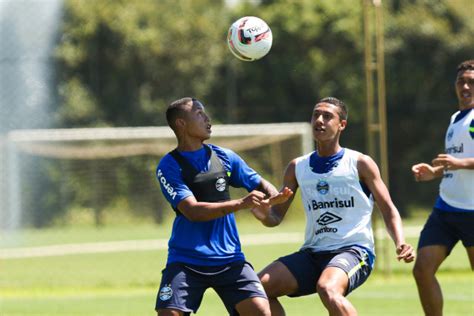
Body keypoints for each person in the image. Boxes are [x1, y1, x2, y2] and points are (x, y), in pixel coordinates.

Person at [251, 97, 415, 316]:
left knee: (327, 288)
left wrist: (400, 241)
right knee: (255, 291)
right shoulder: (297, 167)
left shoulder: (360, 163)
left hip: (354, 251)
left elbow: (388, 209)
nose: (319, 120)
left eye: (327, 116)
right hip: (313, 253)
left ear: (342, 125)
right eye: (315, 115)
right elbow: (275, 217)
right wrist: (264, 215)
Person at [154, 97, 292, 316]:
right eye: (199, 113)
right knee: (168, 314)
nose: (207, 118)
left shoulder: (225, 157)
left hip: (229, 259)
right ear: (181, 123)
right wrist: (241, 203)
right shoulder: (169, 166)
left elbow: (261, 184)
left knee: (260, 311)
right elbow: (192, 211)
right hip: (186, 260)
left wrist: (273, 197)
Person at [411, 60, 474, 316]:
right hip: (446, 209)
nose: (466, 86)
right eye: (461, 82)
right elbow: (456, 162)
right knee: (422, 269)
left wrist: (458, 163)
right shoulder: (455, 118)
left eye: (471, 81)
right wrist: (435, 172)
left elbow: (460, 161)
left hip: (472, 211)